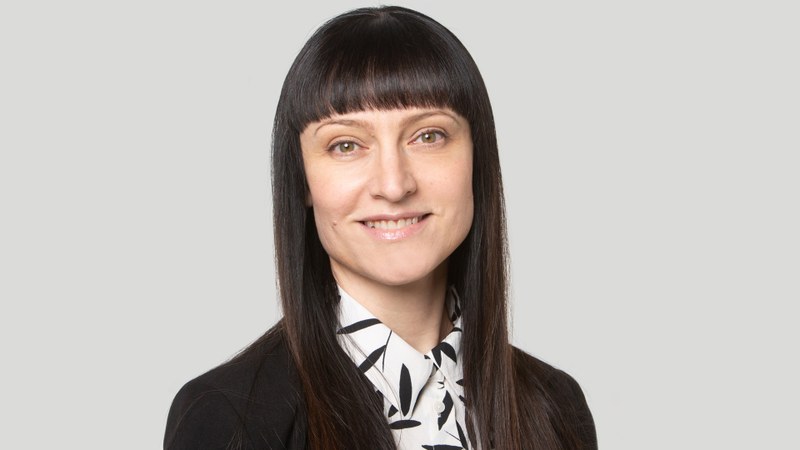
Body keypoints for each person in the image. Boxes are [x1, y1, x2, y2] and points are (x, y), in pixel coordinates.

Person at [164, 6, 596, 450]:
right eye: (346, 145)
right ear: (303, 179)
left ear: (476, 157)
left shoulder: (555, 407)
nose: (393, 185)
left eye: (428, 136)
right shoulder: (230, 419)